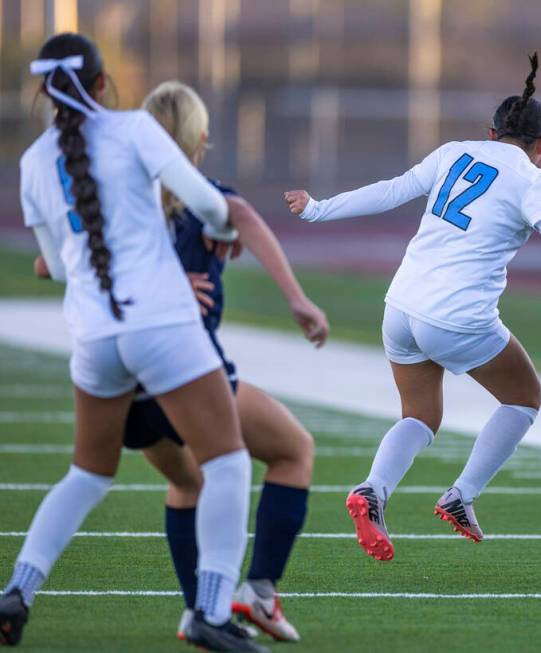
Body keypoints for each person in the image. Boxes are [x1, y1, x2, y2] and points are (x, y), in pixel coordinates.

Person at [284, 54, 541, 562]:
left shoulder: (453, 152)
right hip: (458, 317)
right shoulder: (534, 181)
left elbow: (390, 192)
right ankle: (461, 495)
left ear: (491, 132)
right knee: (524, 398)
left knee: (419, 415)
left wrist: (317, 209)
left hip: (401, 306)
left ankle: (374, 489)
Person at [0, 34, 265, 653]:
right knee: (227, 462)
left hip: (93, 336)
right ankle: (208, 612)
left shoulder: (32, 162)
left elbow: (58, 268)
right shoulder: (133, 130)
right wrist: (229, 232)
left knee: (88, 475)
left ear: (44, 92)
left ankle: (17, 592)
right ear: (101, 84)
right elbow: (206, 202)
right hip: (161, 324)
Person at [133, 80, 326, 643]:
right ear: (201, 138)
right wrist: (297, 299)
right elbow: (242, 213)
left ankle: (200, 612)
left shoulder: (117, 198)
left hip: (121, 371)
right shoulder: (204, 195)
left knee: (188, 480)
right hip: (189, 366)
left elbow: (56, 264)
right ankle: (256, 594)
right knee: (293, 451)